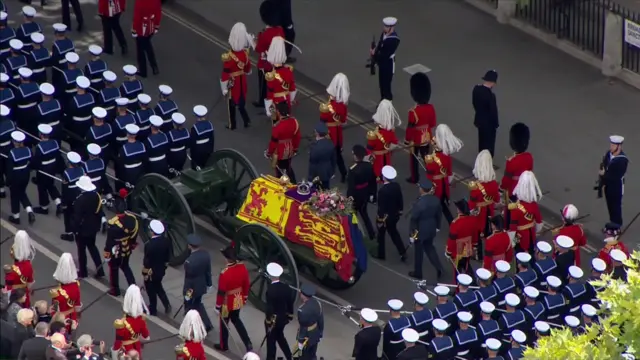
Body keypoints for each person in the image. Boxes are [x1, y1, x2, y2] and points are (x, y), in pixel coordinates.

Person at [215, 246, 252, 352]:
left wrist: (218, 306)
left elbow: (221, 292)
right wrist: (244, 297)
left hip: (226, 303)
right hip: (238, 299)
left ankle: (223, 345)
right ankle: (248, 343)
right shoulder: (242, 268)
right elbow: (246, 284)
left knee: (224, 324)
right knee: (237, 321)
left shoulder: (225, 273)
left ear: (227, 259)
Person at [104, 189, 138, 296]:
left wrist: (107, 252)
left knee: (113, 268)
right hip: (127, 248)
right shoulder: (133, 219)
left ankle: (115, 289)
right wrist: (132, 244)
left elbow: (109, 241)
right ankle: (133, 288)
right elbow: (134, 234)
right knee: (126, 267)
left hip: (116, 250)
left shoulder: (112, 223)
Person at [408, 179, 444, 280]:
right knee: (430, 248)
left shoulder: (419, 203)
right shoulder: (436, 200)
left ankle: (418, 272)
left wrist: (411, 234)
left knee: (418, 251)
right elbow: (439, 215)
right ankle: (438, 267)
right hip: (431, 227)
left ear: (422, 190)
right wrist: (437, 226)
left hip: (420, 229)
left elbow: (414, 219)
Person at [427, 124, 463, 224]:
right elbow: (449, 171)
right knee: (442, 203)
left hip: (436, 183)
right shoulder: (446, 156)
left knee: (436, 203)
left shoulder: (433, 158)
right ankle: (449, 221)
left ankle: (445, 222)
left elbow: (429, 174)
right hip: (444, 182)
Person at [72, 175, 106, 278]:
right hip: (93, 227)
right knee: (92, 248)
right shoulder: (96, 196)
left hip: (82, 230)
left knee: (81, 251)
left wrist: (75, 229)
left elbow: (77, 217)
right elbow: (99, 211)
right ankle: (100, 270)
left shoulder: (80, 199)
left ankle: (83, 272)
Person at [405, 72, 436, 184]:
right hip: (427, 136)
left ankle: (414, 177)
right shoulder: (431, 108)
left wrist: (407, 139)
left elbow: (410, 127)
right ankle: (432, 173)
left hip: (416, 138)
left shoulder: (413, 112)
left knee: (413, 157)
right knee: (426, 157)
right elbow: (432, 124)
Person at [252, 0, 284, 108]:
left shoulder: (265, 34)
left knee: (263, 85)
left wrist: (253, 41)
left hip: (265, 64)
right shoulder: (280, 30)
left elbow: (258, 48)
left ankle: (262, 101)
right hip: (277, 62)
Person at [468, 150, 499, 258]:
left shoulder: (476, 187)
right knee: (488, 231)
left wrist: (471, 211)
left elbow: (472, 203)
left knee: (476, 232)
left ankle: (478, 253)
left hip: (479, 213)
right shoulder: (494, 183)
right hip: (489, 210)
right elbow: (497, 198)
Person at [319, 73, 350, 182]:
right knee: (337, 154)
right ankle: (343, 172)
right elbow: (343, 120)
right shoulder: (342, 105)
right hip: (338, 132)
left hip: (329, 132)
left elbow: (322, 121)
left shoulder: (328, 106)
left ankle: (329, 171)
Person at [221, 22, 252, 130]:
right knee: (241, 102)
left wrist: (224, 87)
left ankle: (232, 124)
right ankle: (246, 120)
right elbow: (248, 68)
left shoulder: (229, 57)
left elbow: (225, 73)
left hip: (233, 82)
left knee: (231, 104)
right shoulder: (245, 54)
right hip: (242, 80)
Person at [501, 123, 533, 219]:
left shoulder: (511, 162)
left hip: (513, 194)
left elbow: (506, 181)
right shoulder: (529, 157)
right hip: (525, 192)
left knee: (510, 218)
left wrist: (499, 190)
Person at [183, 234, 213, 332]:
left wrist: (186, 291)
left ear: (189, 246)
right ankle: (207, 323)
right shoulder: (205, 255)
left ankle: (190, 324)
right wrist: (209, 284)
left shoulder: (189, 261)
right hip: (201, 285)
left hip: (190, 288)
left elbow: (188, 277)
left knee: (188, 305)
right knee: (198, 304)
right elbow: (208, 271)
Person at [507, 171, 543, 254]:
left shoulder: (516, 208)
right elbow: (539, 222)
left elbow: (513, 228)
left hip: (520, 238)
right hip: (531, 235)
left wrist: (511, 241)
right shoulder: (534, 205)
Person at [264, 262, 294, 360]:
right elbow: (290, 303)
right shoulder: (286, 287)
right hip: (283, 319)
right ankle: (289, 356)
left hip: (273, 321)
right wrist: (290, 315)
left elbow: (269, 309)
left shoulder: (270, 290)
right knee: (280, 338)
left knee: (271, 342)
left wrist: (268, 321)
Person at [346, 144, 377, 240]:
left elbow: (351, 186)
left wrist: (349, 197)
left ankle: (354, 234)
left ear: (356, 156)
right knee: (364, 214)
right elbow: (373, 181)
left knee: (353, 215)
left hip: (355, 196)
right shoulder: (369, 166)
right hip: (365, 193)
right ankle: (371, 233)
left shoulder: (352, 170)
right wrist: (372, 194)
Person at [32, 124, 63, 215]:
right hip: (53, 167)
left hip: (43, 169)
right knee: (50, 185)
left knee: (42, 188)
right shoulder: (55, 143)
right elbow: (58, 156)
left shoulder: (40, 147)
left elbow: (37, 161)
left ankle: (44, 207)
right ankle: (58, 203)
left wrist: (33, 167)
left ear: (41, 134)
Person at [111, 285, 150, 358]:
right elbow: (146, 335)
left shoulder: (121, 323)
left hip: (126, 352)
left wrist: (114, 355)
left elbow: (118, 342)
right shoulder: (141, 319)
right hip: (137, 351)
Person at [376, 165, 405, 261]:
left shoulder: (382, 191)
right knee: (394, 233)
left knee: (381, 235)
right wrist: (400, 210)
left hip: (385, 217)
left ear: (384, 177)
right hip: (395, 214)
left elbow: (381, 207)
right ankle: (402, 252)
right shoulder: (396, 186)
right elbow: (400, 199)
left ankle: (381, 254)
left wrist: (380, 219)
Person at [266, 101, 300, 182]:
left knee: (279, 172)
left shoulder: (277, 126)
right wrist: (295, 149)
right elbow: (297, 137)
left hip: (279, 152)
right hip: (290, 150)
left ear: (279, 112)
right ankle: (293, 182)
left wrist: (269, 152)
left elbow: (273, 143)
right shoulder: (294, 121)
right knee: (287, 167)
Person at [143, 220, 171, 315]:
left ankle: (153, 308)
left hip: (151, 272)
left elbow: (147, 262)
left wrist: (145, 274)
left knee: (151, 290)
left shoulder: (149, 245)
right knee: (158, 287)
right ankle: (167, 304)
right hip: (161, 270)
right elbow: (167, 258)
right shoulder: (166, 241)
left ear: (152, 231)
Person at [6, 130, 35, 224]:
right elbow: (31, 162)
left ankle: (16, 217)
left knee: (14, 196)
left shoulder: (12, 153)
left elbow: (9, 170)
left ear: (14, 142)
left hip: (16, 176)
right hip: (25, 175)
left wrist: (8, 182)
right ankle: (29, 210)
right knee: (22, 193)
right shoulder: (28, 150)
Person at [367, 99, 400, 181]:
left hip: (377, 159)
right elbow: (394, 143)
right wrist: (388, 150)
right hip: (386, 156)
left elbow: (369, 149)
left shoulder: (374, 135)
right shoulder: (391, 131)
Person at [263, 37, 296, 118]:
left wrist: (268, 109)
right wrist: (291, 100)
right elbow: (292, 88)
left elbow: (270, 94)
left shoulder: (271, 75)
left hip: (276, 102)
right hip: (287, 100)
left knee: (277, 124)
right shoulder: (288, 70)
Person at [600, 135, 628, 225]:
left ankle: (617, 225)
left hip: (616, 187)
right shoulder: (609, 154)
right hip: (608, 185)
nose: (611, 147)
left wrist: (604, 174)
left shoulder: (622, 160)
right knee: (610, 206)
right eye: (611, 145)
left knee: (615, 207)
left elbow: (615, 176)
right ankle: (612, 223)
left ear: (619, 146)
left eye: (613, 145)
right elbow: (604, 164)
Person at [446, 199, 478, 278]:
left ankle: (458, 288)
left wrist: (448, 252)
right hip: (468, 247)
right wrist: (474, 246)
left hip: (457, 250)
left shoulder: (455, 223)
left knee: (457, 270)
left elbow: (452, 240)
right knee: (466, 265)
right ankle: (471, 281)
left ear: (459, 210)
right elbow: (475, 235)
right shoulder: (473, 220)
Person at [50, 253, 82, 332]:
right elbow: (77, 304)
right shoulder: (76, 286)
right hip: (72, 317)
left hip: (61, 320)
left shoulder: (57, 293)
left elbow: (54, 311)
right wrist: (78, 314)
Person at [4, 230, 35, 307]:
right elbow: (30, 282)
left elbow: (8, 288)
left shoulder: (11, 271)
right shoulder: (29, 266)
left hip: (14, 298)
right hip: (24, 295)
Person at [372, 17, 400, 101]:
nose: (384, 28)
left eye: (386, 27)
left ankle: (387, 104)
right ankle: (382, 102)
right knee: (381, 85)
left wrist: (375, 55)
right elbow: (380, 45)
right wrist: (374, 50)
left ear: (391, 28)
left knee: (386, 85)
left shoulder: (394, 40)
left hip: (388, 64)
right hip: (382, 63)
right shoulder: (384, 34)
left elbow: (385, 54)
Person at [472, 70, 499, 156]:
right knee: (489, 145)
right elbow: (493, 113)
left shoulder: (476, 89)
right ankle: (487, 162)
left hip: (479, 120)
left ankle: (480, 159)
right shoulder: (491, 96)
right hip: (489, 125)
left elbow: (474, 103)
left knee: (482, 141)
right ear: (492, 82)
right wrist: (496, 124)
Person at [131, 0, 161, 77]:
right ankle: (154, 66)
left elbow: (137, 16)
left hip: (142, 29)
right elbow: (158, 11)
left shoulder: (140, 1)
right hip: (151, 26)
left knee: (140, 51)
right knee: (147, 46)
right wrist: (157, 25)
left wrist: (134, 30)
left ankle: (143, 71)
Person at [60, 151, 85, 241]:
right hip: (79, 195)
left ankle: (69, 234)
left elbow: (64, 190)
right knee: (77, 214)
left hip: (70, 197)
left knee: (67, 216)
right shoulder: (81, 170)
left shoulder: (66, 173)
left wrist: (63, 203)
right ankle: (78, 231)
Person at [296, 283, 324, 360]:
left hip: (305, 337)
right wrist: (320, 333)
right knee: (312, 355)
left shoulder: (302, 310)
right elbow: (321, 320)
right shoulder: (318, 303)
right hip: (315, 333)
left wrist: (300, 341)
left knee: (301, 356)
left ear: (303, 295)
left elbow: (303, 327)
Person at [116, 124, 147, 191]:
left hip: (129, 173)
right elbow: (144, 158)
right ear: (135, 135)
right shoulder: (141, 145)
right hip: (140, 170)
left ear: (127, 134)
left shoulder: (124, 148)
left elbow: (120, 163)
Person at [307, 122, 336, 189]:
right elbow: (333, 159)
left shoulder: (314, 147)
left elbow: (312, 164)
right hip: (327, 172)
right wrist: (332, 171)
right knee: (326, 189)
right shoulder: (331, 143)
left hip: (317, 174)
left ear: (317, 133)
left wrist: (310, 179)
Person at [14, 68, 40, 140]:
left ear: (21, 78)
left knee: (24, 131)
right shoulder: (36, 85)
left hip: (23, 113)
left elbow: (16, 101)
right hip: (34, 110)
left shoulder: (20, 89)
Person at [50, 23, 74, 93]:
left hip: (59, 69)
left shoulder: (56, 45)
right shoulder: (70, 42)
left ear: (56, 33)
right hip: (69, 65)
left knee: (58, 86)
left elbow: (54, 60)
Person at [189, 105, 214, 170]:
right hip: (208, 149)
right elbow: (212, 140)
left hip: (198, 151)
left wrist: (192, 155)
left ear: (197, 116)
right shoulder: (210, 124)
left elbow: (193, 144)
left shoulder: (195, 128)